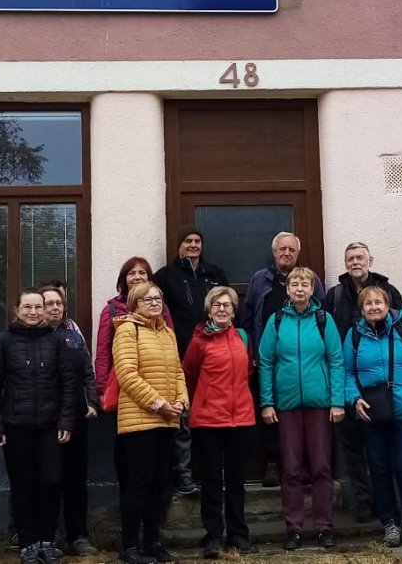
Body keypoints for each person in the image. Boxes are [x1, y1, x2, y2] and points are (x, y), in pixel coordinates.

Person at [0, 289, 77, 564]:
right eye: (28, 307)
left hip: (51, 426)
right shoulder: (3, 342)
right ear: (17, 310)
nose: (34, 312)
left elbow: (68, 384)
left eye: (38, 307)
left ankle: (47, 540)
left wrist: (66, 420)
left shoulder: (58, 340)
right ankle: (28, 543)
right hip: (16, 427)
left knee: (51, 481)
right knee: (23, 485)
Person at [257, 267, 345, 551]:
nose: (299, 288)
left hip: (320, 405)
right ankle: (293, 528)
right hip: (287, 405)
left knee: (321, 467)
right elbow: (266, 362)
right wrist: (267, 402)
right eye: (294, 283)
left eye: (305, 284)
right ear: (287, 289)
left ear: (312, 289)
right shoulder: (276, 320)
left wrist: (337, 401)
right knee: (291, 469)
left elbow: (336, 360)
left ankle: (323, 527)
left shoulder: (323, 319)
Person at [344, 286, 402, 548]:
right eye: (368, 303)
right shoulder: (354, 335)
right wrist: (354, 398)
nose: (374, 307)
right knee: (380, 468)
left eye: (378, 302)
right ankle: (390, 523)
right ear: (361, 310)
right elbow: (347, 372)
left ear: (387, 305)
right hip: (372, 411)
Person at [323, 242, 402, 523]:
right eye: (350, 258)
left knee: (385, 450)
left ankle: (391, 505)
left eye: (360, 257)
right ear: (345, 263)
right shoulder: (335, 295)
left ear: (370, 259)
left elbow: (401, 333)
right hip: (347, 380)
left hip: (383, 386)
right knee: (353, 448)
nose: (355, 262)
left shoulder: (389, 292)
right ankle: (364, 502)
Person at [241, 232, 326, 486]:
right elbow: (248, 315)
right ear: (274, 252)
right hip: (268, 358)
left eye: (291, 249)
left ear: (297, 254)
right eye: (282, 249)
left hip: (304, 361)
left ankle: (305, 465)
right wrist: (252, 351)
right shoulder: (260, 279)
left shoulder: (309, 279)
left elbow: (321, 312)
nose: (286, 253)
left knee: (301, 415)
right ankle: (273, 463)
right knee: (270, 413)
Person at [112, 281, 188, 564]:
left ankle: (153, 542)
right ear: (135, 304)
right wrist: (160, 404)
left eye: (158, 298)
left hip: (167, 421)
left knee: (161, 484)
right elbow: (128, 376)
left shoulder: (167, 333)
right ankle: (130, 546)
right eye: (148, 300)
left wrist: (181, 402)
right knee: (138, 484)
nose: (155, 303)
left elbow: (178, 372)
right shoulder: (127, 331)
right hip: (139, 422)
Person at [154, 226, 229, 496]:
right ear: (178, 245)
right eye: (188, 241)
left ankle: (215, 473)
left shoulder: (214, 274)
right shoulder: (165, 276)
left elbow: (227, 305)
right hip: (180, 358)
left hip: (215, 357)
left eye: (198, 241)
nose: (193, 245)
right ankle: (184, 476)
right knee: (182, 421)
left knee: (212, 417)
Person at [181, 286, 256, 559]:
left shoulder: (243, 338)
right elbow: (189, 374)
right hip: (209, 420)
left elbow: (247, 372)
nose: (222, 309)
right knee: (212, 481)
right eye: (217, 305)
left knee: (236, 481)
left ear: (234, 311)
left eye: (227, 305)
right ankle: (213, 535)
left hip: (241, 419)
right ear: (209, 310)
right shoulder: (199, 341)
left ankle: (238, 533)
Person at [39, 281, 100, 557]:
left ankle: (78, 535)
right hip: (44, 419)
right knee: (48, 480)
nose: (54, 307)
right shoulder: (33, 335)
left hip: (76, 417)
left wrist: (91, 401)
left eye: (58, 303)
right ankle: (45, 537)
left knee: (77, 479)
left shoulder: (74, 333)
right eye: (49, 303)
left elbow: (87, 369)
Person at [95, 257, 172, 399]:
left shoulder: (161, 309)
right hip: (122, 385)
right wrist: (102, 388)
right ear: (124, 279)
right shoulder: (111, 310)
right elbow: (103, 353)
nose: (137, 277)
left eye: (142, 273)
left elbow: (171, 348)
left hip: (158, 382)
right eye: (132, 273)